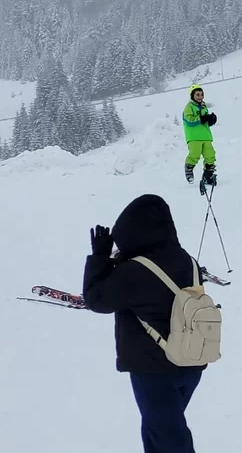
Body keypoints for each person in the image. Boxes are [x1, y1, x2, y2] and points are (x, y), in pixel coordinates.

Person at [82, 194, 206, 453]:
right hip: (192, 360)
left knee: (169, 437)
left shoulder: (133, 271)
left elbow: (96, 299)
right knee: (158, 429)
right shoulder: (187, 260)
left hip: (155, 369)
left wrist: (100, 257)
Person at [183, 84, 218, 185]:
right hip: (193, 136)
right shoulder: (189, 107)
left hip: (205, 136)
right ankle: (189, 168)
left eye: (202, 95)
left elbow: (204, 121)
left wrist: (210, 120)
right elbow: (189, 120)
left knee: (210, 155)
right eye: (197, 95)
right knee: (195, 154)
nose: (200, 97)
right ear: (192, 95)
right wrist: (202, 118)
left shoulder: (204, 107)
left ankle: (208, 175)